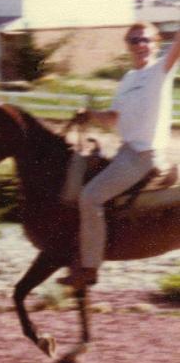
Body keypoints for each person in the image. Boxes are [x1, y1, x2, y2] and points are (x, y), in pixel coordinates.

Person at [60, 22, 180, 289]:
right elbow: (114, 119)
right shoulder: (127, 79)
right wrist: (90, 114)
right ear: (127, 46)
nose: (140, 45)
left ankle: (89, 267)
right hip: (125, 151)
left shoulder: (160, 70)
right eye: (134, 40)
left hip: (144, 156)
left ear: (156, 43)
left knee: (90, 197)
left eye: (145, 40)